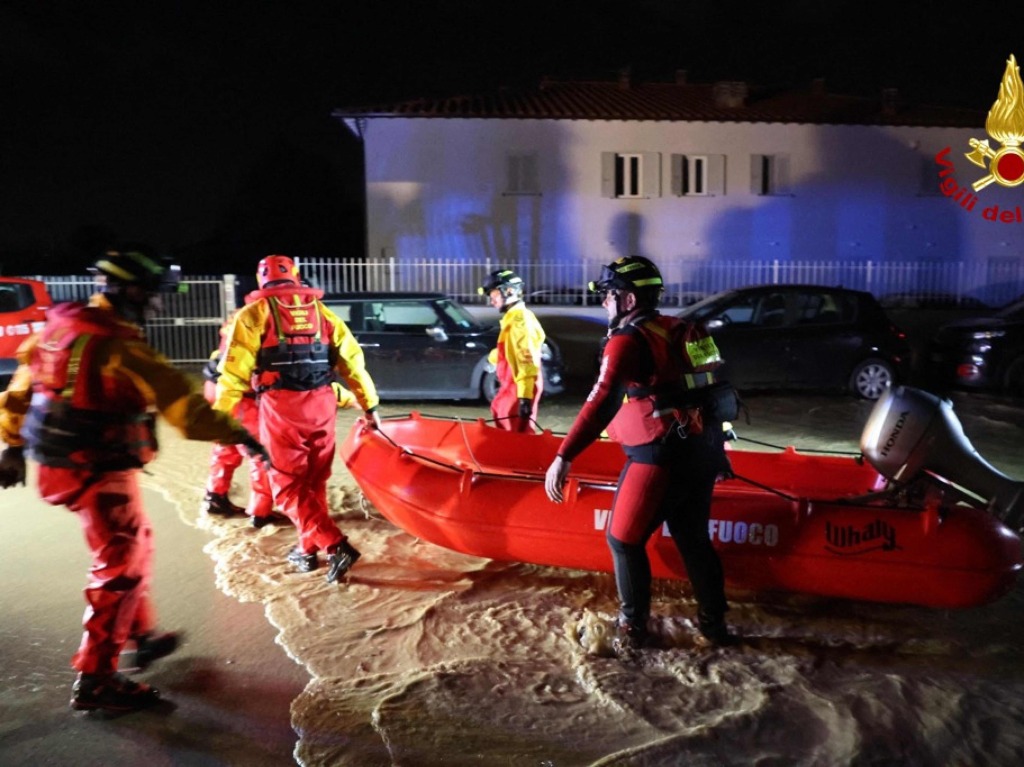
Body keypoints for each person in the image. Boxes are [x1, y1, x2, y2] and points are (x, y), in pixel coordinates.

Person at [0, 248, 269, 712]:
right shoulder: (121, 347)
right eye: (153, 296)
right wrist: (242, 434)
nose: (157, 306)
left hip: (57, 463)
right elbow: (185, 410)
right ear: (129, 292)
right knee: (120, 566)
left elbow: (23, 385)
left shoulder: (61, 327)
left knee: (133, 545)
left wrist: (12, 446)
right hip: (99, 468)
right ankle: (97, 678)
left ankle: (141, 634)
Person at [543, 255, 736, 655]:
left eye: (608, 296)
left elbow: (601, 401)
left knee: (623, 541)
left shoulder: (627, 340)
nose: (603, 303)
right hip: (700, 453)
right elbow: (715, 391)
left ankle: (631, 632)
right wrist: (719, 452)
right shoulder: (687, 330)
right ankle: (714, 629)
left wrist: (564, 455)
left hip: (658, 457)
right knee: (694, 541)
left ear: (628, 300)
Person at [213, 254, 380, 583]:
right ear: (296, 276)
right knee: (313, 484)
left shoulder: (254, 315)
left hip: (282, 408)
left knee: (287, 489)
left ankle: (334, 546)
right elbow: (353, 363)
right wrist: (370, 406)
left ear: (262, 281)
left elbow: (232, 376)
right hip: (323, 407)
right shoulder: (324, 314)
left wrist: (217, 418)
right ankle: (307, 553)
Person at [478, 268, 546, 431]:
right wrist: (493, 358)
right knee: (503, 421)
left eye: (494, 295)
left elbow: (526, 360)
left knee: (516, 436)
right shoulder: (513, 319)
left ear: (508, 291)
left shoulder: (520, 321)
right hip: (512, 385)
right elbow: (511, 350)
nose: (492, 301)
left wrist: (524, 397)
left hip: (518, 386)